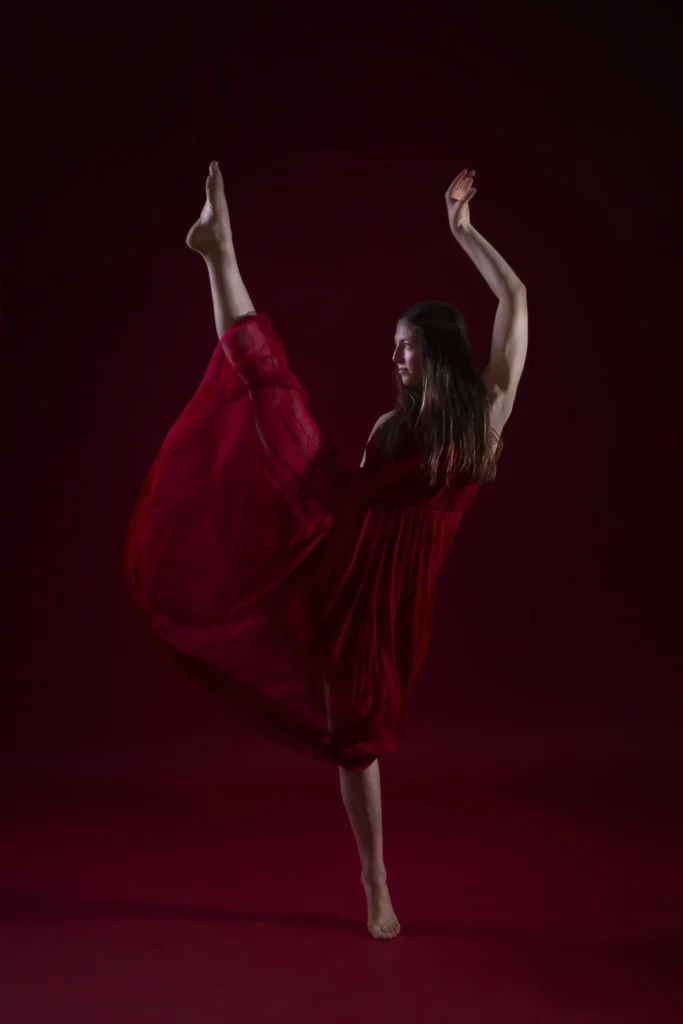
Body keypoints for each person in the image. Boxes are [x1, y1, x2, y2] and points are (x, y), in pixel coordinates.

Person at [124, 163, 528, 940]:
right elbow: (358, 506)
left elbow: (515, 303)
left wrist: (464, 233)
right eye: (393, 349)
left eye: (405, 349)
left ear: (438, 352)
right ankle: (376, 883)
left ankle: (217, 252)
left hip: (397, 602)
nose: (395, 361)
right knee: (269, 398)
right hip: (343, 577)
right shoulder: (389, 429)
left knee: (365, 734)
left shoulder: (485, 420)